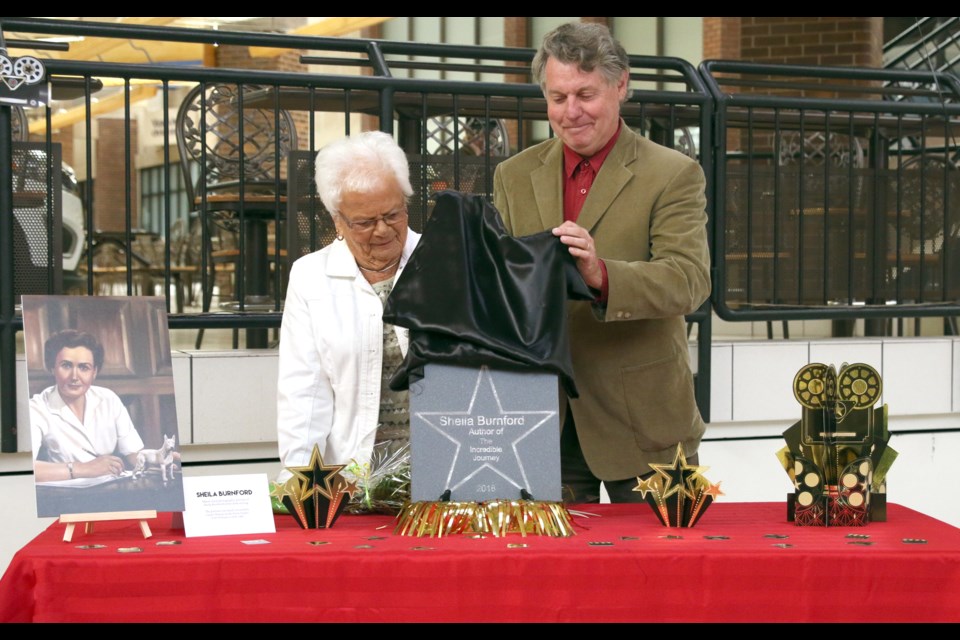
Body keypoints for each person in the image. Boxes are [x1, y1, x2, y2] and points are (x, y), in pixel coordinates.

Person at [492, 22, 711, 503]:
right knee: (554, 578)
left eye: (585, 94)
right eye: (557, 97)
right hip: (543, 419)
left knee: (667, 571)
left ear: (621, 85)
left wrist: (601, 274)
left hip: (648, 422)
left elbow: (689, 281)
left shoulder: (674, 174)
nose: (570, 112)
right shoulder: (513, 175)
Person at [275, 131, 420, 483]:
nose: (383, 230)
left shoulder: (444, 263)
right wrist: (301, 477)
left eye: (392, 214)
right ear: (337, 220)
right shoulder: (310, 277)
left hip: (440, 479)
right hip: (352, 482)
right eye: (365, 222)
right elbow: (304, 393)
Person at [30, 329, 145, 483]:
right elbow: (26, 468)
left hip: (111, 489)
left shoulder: (108, 399)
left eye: (84, 368)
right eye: (66, 366)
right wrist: (83, 469)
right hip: (64, 497)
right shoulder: (37, 408)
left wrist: (161, 458)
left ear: (94, 372)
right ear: (52, 368)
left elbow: (134, 455)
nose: (75, 377)